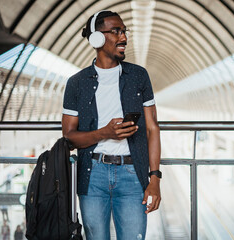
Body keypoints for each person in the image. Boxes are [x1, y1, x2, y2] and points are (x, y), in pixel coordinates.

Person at [62, 10, 161, 240]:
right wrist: (104, 133)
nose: (123, 38)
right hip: (92, 175)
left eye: (124, 31)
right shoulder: (76, 83)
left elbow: (152, 128)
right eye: (115, 31)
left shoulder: (138, 76)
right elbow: (69, 137)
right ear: (96, 37)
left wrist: (154, 178)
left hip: (132, 175)